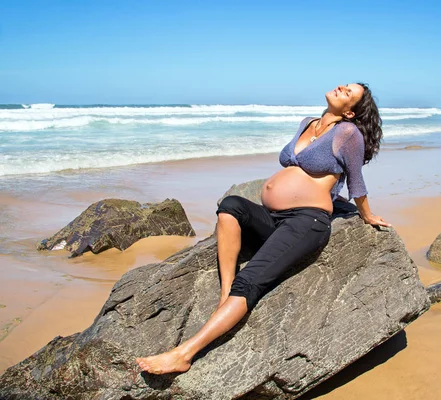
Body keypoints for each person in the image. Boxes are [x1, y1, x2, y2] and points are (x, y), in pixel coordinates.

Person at [136, 83, 391, 374]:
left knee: (251, 281)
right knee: (231, 205)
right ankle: (225, 296)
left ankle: (184, 354)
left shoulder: (348, 133)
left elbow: (356, 182)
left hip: (307, 222)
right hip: (274, 217)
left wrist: (367, 216)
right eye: (345, 85)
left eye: (349, 93)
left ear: (349, 111)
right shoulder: (308, 123)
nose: (342, 88)